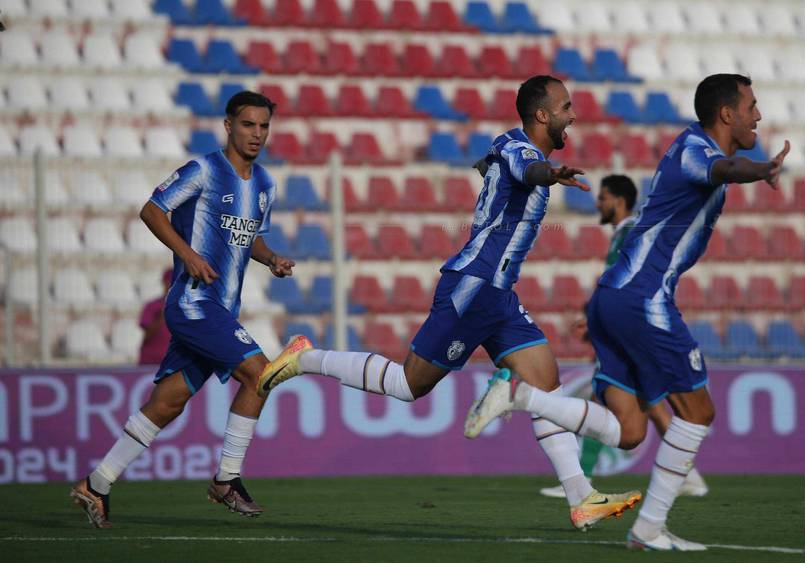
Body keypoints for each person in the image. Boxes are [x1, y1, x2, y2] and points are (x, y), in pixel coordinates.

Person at [258, 75, 642, 531]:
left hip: (498, 295)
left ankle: (581, 498)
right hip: (474, 288)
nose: (572, 115)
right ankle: (306, 357)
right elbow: (524, 169)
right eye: (565, 107)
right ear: (542, 115)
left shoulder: (512, 148)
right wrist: (548, 175)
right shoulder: (523, 152)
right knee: (409, 384)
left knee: (545, 383)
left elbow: (500, 166)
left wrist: (500, 169)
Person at [464, 74, 791, 551]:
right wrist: (760, 171)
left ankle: (520, 396)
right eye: (751, 107)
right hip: (642, 298)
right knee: (697, 411)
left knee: (630, 431)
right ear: (726, 114)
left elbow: (721, 169)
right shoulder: (696, 150)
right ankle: (648, 528)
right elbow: (723, 170)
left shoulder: (693, 148)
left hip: (615, 298)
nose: (757, 115)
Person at [70, 91, 295, 528]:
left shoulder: (265, 184)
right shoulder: (204, 170)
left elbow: (252, 239)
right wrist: (188, 255)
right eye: (248, 125)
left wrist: (272, 259)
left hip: (221, 309)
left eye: (264, 126)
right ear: (228, 126)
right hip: (193, 302)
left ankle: (95, 484)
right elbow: (152, 211)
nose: (257, 134)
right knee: (261, 375)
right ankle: (226, 479)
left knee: (168, 403)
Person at [537, 175, 708, 499]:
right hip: (628, 330)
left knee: (603, 398)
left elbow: (625, 283)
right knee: (651, 406)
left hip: (628, 333)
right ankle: (689, 474)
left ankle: (580, 479)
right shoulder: (624, 234)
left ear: (617, 200)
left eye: (602, 197)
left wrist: (600, 321)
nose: (597, 203)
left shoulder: (629, 234)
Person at [137, 268, 174, 365]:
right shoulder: (152, 306)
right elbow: (147, 335)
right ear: (164, 283)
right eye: (170, 282)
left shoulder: (187, 308)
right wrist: (162, 317)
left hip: (174, 363)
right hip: (151, 361)